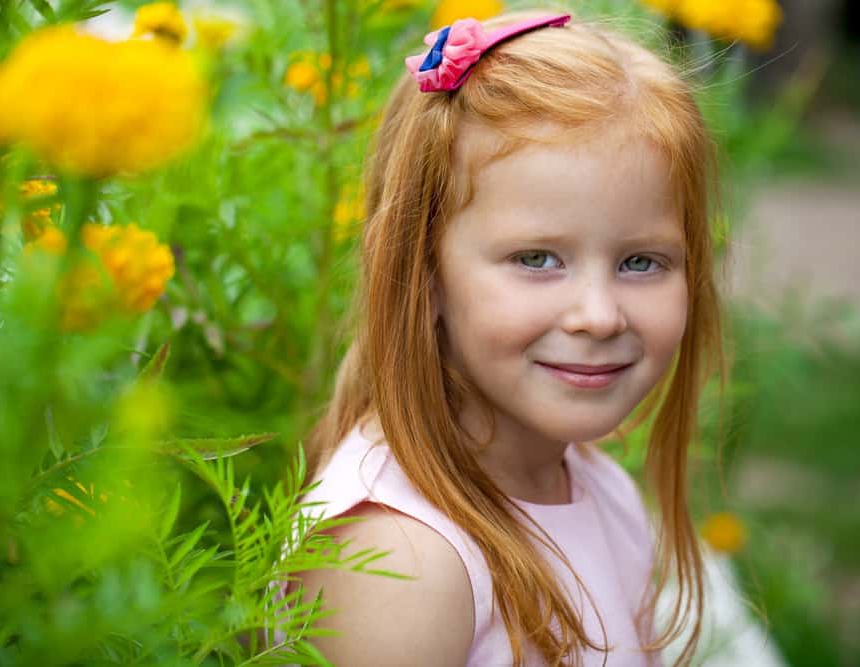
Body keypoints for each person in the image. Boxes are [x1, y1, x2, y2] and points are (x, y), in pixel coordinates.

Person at [289, 9, 724, 667]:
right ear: (421, 271)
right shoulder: (402, 566)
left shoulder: (597, 487)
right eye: (537, 259)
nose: (600, 315)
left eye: (641, 262)